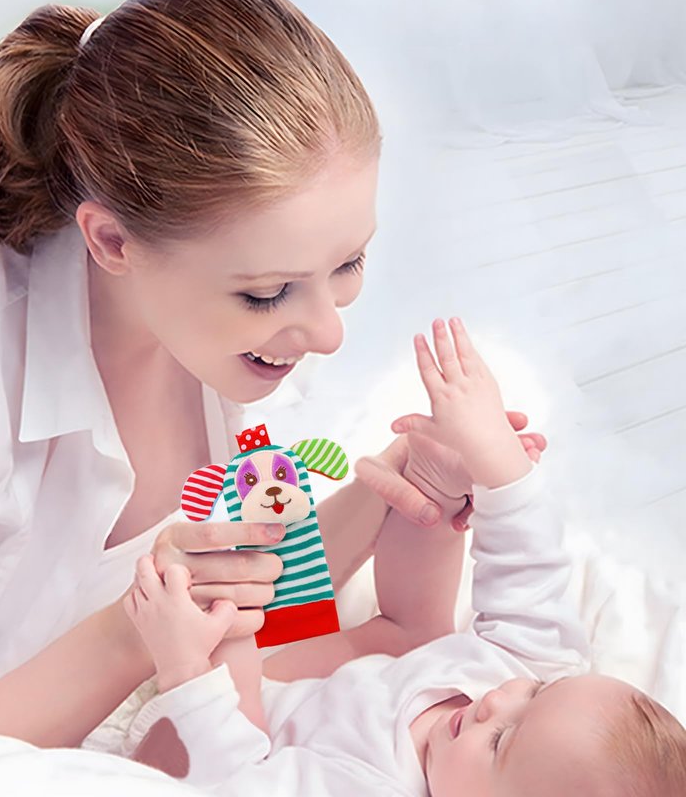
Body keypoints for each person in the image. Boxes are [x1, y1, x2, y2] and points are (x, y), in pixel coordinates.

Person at [0, 0, 545, 748]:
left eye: (349, 263)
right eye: (268, 292)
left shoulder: (223, 332)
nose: (329, 333)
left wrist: (397, 490)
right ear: (112, 242)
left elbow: (256, 595)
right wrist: (136, 632)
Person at [123, 318, 686, 796]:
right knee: (419, 622)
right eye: (539, 693)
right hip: (382, 657)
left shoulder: (372, 785)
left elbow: (236, 781)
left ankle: (199, 661)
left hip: (254, 737)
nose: (496, 699)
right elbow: (533, 575)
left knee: (229, 654)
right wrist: (497, 466)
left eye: (501, 741)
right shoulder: (514, 690)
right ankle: (436, 483)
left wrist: (190, 671)